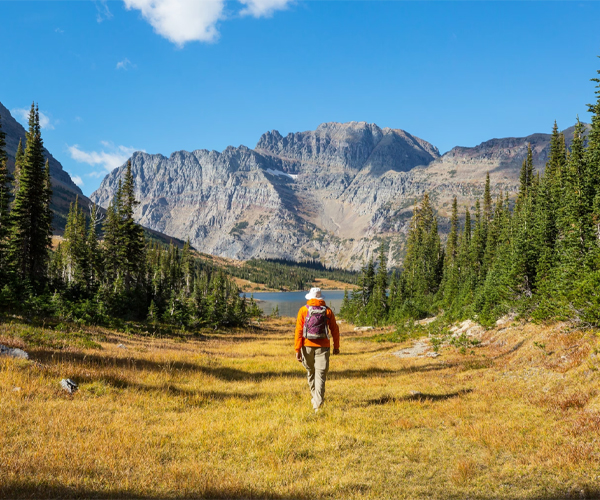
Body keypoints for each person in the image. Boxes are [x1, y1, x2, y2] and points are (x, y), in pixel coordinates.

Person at [295, 287, 340, 413]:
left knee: (310, 372)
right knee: (320, 375)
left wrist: (297, 349)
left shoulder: (303, 310)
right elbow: (335, 330)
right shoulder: (328, 311)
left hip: (307, 346)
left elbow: (299, 331)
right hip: (323, 346)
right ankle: (317, 403)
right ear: (321, 298)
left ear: (310, 297)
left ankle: (316, 401)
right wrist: (336, 346)